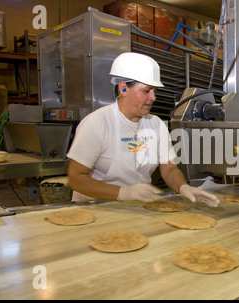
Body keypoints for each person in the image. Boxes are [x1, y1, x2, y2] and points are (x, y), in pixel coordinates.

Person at [67, 52, 220, 207]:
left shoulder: (156, 125)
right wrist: (124, 192)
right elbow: (76, 178)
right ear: (123, 89)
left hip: (137, 208)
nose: (153, 97)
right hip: (95, 207)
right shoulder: (96, 124)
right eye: (147, 91)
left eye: (154, 91)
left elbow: (169, 169)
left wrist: (183, 187)